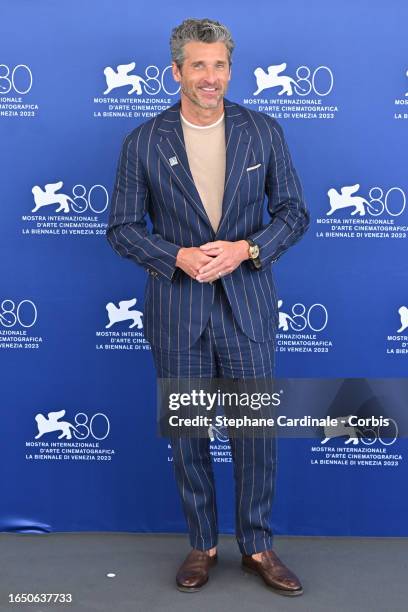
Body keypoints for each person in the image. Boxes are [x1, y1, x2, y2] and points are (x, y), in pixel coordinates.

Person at [106, 17, 309, 596]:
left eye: (219, 64)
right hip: (177, 311)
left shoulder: (263, 132)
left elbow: (295, 212)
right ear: (176, 72)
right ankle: (203, 544)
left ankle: (258, 545)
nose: (210, 76)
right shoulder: (143, 141)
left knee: (255, 434)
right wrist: (177, 256)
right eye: (199, 65)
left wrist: (249, 248)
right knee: (190, 435)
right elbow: (120, 227)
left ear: (229, 69)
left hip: (247, 309)